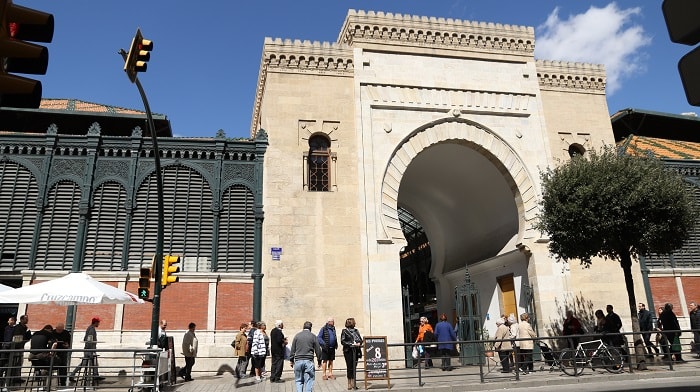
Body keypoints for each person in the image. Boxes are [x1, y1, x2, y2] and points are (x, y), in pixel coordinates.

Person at [290, 321, 322, 392]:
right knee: (309, 380)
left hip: (298, 361)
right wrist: (319, 360)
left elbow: (293, 349)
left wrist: (291, 360)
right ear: (310, 328)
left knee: (298, 380)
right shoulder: (313, 336)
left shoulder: (297, 336)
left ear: (303, 327)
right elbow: (318, 350)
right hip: (309, 361)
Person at [70, 317, 103, 384]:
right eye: (98, 322)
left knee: (86, 363)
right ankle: (95, 375)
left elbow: (86, 339)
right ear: (95, 322)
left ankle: (95, 375)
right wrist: (91, 348)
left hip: (88, 349)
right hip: (89, 349)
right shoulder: (91, 329)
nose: (99, 324)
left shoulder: (90, 328)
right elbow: (89, 339)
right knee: (90, 362)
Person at [340, 318, 363, 390]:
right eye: (354, 322)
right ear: (351, 323)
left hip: (356, 351)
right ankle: (349, 383)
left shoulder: (356, 331)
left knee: (354, 366)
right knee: (349, 366)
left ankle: (354, 383)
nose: (355, 323)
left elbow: (360, 339)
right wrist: (352, 344)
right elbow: (343, 341)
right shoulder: (344, 331)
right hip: (348, 351)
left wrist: (359, 343)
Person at [51, 323, 71, 387]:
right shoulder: (52, 333)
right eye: (58, 329)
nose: (59, 331)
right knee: (52, 366)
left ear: (63, 329)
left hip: (63, 351)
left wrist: (67, 345)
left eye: (60, 330)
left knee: (63, 367)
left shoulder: (66, 333)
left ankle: (63, 382)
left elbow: (69, 342)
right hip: (54, 352)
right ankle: (52, 381)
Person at [0, 316, 16, 380]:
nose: (8, 321)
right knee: (3, 362)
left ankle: (5, 376)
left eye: (9, 320)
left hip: (8, 346)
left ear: (13, 321)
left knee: (7, 362)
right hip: (5, 346)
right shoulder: (6, 328)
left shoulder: (13, 329)